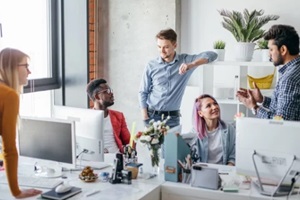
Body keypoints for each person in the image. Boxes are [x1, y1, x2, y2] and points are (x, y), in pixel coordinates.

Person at [138, 28, 217, 128]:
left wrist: (192, 64)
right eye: (159, 47)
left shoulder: (185, 61)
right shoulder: (151, 65)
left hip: (172, 119)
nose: (161, 51)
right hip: (152, 116)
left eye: (166, 47)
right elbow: (143, 92)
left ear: (175, 45)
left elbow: (213, 55)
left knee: (173, 144)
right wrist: (145, 115)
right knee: (153, 144)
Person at [0, 48, 42, 198]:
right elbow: (9, 149)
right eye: (26, 66)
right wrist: (16, 192)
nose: (29, 72)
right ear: (12, 67)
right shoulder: (9, 95)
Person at [237, 24, 300, 120]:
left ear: (283, 50)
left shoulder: (289, 80)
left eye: (271, 49)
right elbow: (286, 108)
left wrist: (254, 107)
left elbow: (281, 122)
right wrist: (262, 99)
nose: (268, 54)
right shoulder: (295, 70)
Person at [184, 94, 235, 166]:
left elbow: (233, 155)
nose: (214, 107)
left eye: (215, 103)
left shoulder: (229, 129)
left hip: (225, 172)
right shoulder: (194, 132)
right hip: (204, 172)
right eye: (208, 106)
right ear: (200, 113)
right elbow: (190, 157)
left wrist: (227, 170)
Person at [86, 78, 130, 153]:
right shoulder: (86, 118)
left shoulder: (118, 116)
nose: (111, 93)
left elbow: (128, 141)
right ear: (97, 96)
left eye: (111, 90)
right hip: (96, 160)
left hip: (117, 159)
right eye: (107, 91)